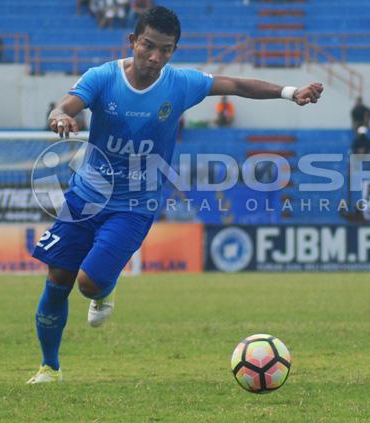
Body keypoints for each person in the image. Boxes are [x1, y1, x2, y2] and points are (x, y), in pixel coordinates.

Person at [27, 6, 323, 384]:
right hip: (85, 196)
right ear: (132, 41)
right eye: (148, 46)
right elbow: (66, 105)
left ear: (173, 51)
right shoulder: (102, 77)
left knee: (88, 283)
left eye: (165, 50)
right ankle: (49, 367)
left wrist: (289, 92)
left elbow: (235, 85)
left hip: (135, 205)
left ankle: (106, 286)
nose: (155, 57)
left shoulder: (180, 84)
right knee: (57, 280)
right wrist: (60, 117)